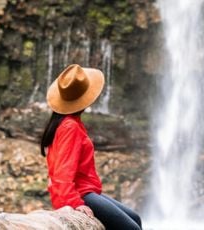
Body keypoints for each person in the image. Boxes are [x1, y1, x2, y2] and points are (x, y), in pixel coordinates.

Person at [40, 64, 142, 230]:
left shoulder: (70, 123)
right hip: (80, 194)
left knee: (135, 219)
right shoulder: (70, 127)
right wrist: (74, 203)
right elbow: (62, 172)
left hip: (87, 191)